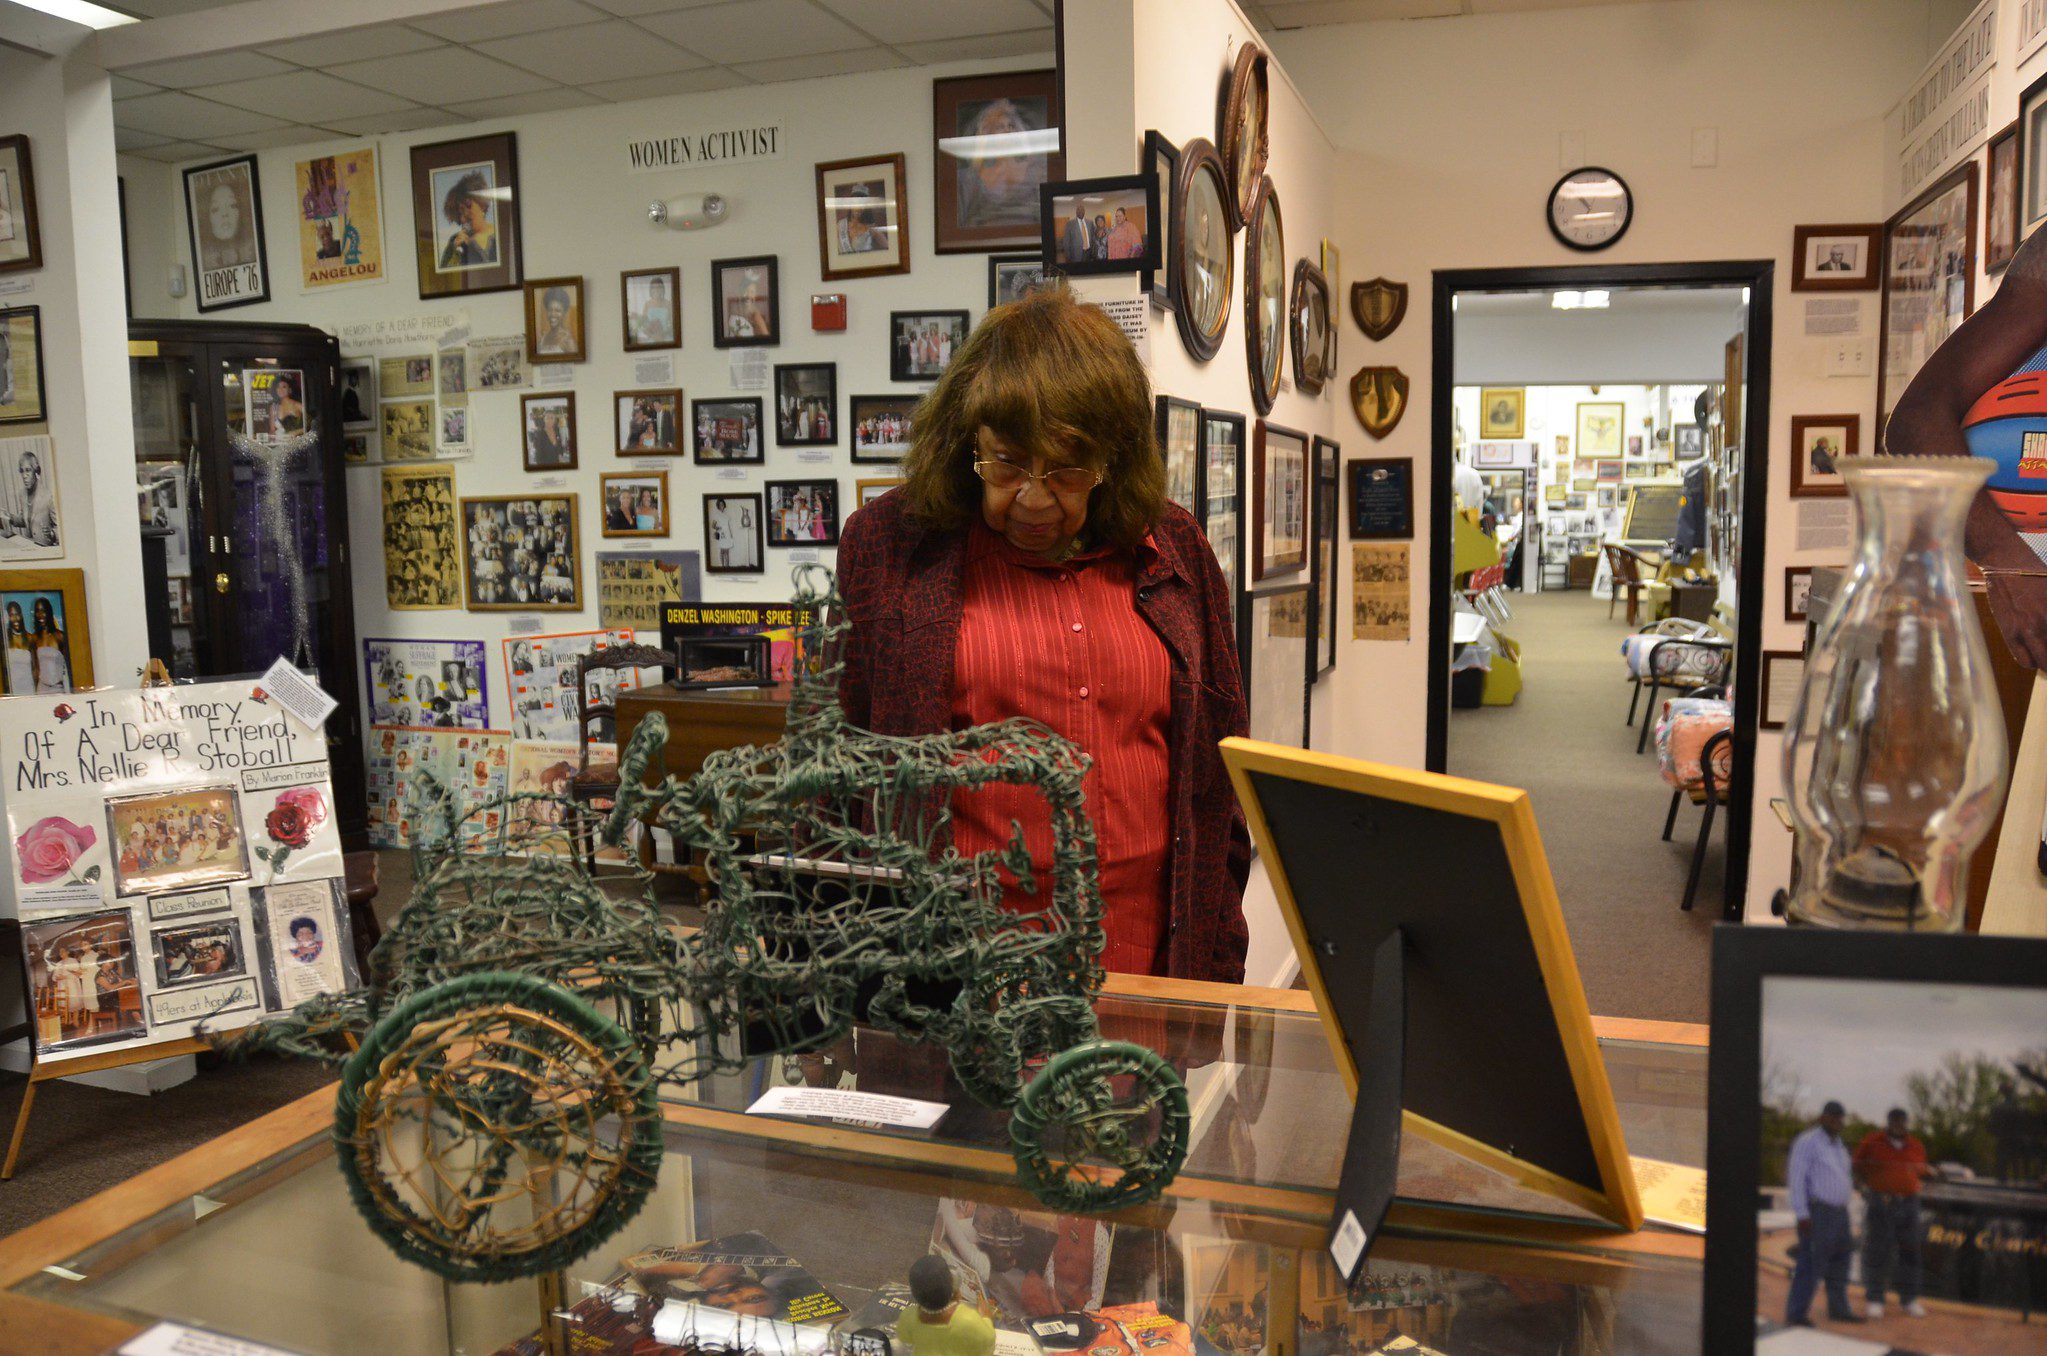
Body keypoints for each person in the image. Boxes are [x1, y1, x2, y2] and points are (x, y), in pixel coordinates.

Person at [836, 288, 1250, 981]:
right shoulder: (888, 546)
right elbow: (836, 767)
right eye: (1005, 464)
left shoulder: (1175, 548)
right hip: (954, 965)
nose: (1031, 497)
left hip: (1142, 951)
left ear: (1113, 460)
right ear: (966, 442)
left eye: (1066, 471)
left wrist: (1218, 955)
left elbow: (1220, 773)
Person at [1854, 1108, 1939, 1319]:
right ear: (1889, 1121)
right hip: (1881, 1202)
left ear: (1906, 1122)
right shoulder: (1873, 1142)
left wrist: (1929, 1172)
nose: (1898, 1124)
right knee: (1878, 1252)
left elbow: (1920, 1169)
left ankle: (1909, 1300)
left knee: (1910, 1252)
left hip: (1909, 1203)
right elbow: (1857, 1166)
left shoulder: (1916, 1145)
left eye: (1902, 1121)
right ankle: (1875, 1299)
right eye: (1894, 1120)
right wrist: (1868, 1188)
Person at [1785, 1100, 1862, 1327]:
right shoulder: (1808, 1142)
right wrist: (1802, 1213)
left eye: (1840, 1117)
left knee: (1841, 1262)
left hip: (1840, 1213)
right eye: (1832, 1116)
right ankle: (1796, 1313)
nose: (1837, 1120)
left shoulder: (1838, 1145)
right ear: (1823, 1117)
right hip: (1818, 1212)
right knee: (1810, 1264)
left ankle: (1839, 1309)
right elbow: (1797, 1178)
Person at [896, 1255, 995, 1356]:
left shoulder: (908, 1316)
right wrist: (986, 1317)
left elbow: (904, 1337)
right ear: (953, 1288)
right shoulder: (969, 1320)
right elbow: (987, 1344)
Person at [437, 170, 498, 270]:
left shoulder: (500, 234)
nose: (464, 216)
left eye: (468, 205)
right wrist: (456, 252)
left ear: (482, 204)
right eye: (459, 212)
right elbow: (446, 276)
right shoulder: (454, 241)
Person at [535, 286, 578, 356]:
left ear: (564, 313)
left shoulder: (568, 341)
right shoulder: (543, 339)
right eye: (550, 310)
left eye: (557, 310)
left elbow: (577, 365)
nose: (553, 314)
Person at [632, 276, 673, 345]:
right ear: (651, 290)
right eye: (654, 287)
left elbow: (672, 325)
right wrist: (652, 336)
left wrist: (663, 335)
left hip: (665, 338)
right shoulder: (647, 304)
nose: (657, 290)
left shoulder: (668, 304)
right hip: (651, 338)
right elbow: (643, 325)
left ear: (663, 289)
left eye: (659, 287)